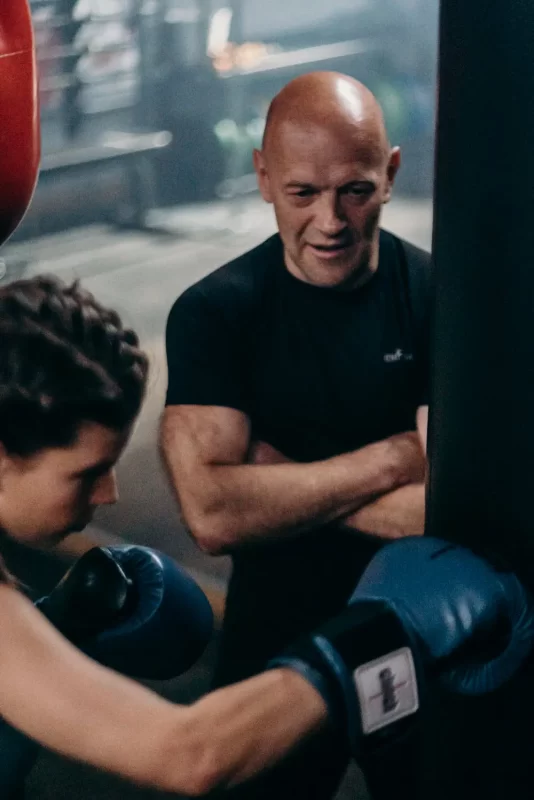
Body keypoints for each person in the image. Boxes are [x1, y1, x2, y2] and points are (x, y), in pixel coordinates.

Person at [160, 70, 431, 797]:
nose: (331, 220)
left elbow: (450, 509)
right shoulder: (216, 313)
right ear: (262, 177)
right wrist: (396, 457)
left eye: (355, 189)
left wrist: (276, 477)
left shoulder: (438, 298)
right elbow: (213, 514)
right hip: (275, 635)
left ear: (392, 173)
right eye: (302, 193)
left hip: (415, 633)